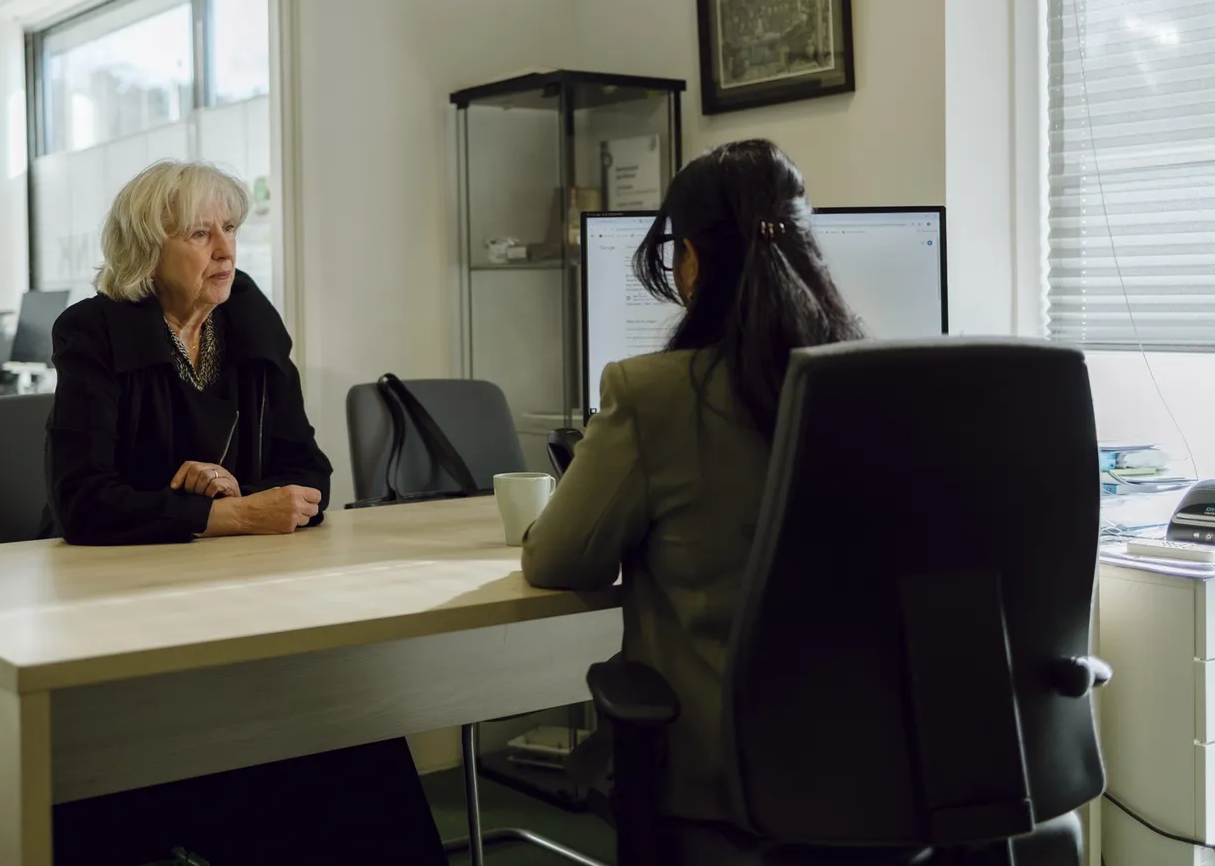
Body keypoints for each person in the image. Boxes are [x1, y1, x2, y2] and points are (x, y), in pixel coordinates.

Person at [44, 160, 447, 866]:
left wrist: (239, 495)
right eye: (200, 234)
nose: (226, 250)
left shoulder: (249, 320)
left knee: (352, 727)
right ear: (147, 249)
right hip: (121, 620)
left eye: (229, 229)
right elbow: (82, 502)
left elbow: (308, 471)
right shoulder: (93, 332)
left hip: (245, 607)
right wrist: (229, 518)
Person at [520, 139, 864, 826]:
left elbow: (558, 560)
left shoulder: (653, 393)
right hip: (874, 767)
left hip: (719, 769)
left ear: (694, 261)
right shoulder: (868, 386)